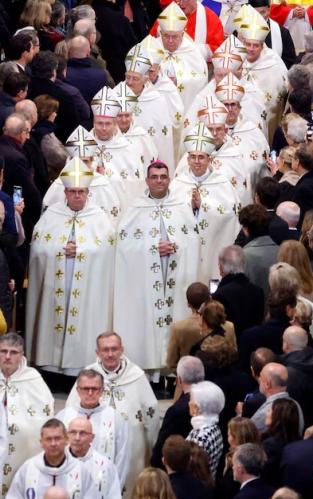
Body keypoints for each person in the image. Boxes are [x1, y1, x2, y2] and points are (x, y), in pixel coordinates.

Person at [27, 157, 116, 372]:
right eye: (73, 191)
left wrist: (82, 251)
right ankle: (51, 367)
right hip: (55, 284)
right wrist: (59, 249)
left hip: (86, 287)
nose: (77, 195)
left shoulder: (99, 217)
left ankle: (78, 366)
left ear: (88, 193)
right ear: (65, 193)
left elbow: (108, 249)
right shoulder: (52, 216)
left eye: (81, 192)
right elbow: (38, 248)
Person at [113, 162, 200, 370]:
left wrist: (176, 246)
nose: (159, 181)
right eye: (154, 177)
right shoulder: (135, 208)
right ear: (147, 180)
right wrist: (153, 249)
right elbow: (123, 245)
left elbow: (194, 240)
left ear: (169, 179)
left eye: (163, 177)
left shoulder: (181, 206)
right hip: (146, 278)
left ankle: (171, 370)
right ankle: (149, 366)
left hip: (175, 274)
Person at [66, 332, 160, 493]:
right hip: (94, 445)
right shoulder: (88, 375)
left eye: (114, 349)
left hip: (131, 446)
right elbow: (71, 411)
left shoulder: (135, 375)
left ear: (122, 350)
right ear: (98, 353)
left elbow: (151, 411)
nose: (110, 354)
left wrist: (153, 445)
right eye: (105, 350)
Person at [0, 333, 54, 496]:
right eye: (3, 351)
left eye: (13, 352)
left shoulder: (33, 379)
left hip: (22, 451)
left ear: (22, 355)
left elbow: (45, 415)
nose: (8, 357)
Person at [172, 123, 241, 281]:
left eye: (201, 157)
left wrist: (203, 206)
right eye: (193, 157)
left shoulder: (221, 183)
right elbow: (170, 215)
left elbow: (231, 212)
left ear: (209, 159)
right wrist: (189, 206)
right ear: (187, 159)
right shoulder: (177, 183)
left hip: (213, 247)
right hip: (185, 249)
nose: (197, 162)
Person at [56, 369, 128, 481]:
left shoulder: (115, 418)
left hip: (102, 483)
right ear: (78, 390)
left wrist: (114, 488)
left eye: (94, 389)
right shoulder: (63, 416)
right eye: (85, 389)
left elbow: (122, 457)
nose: (90, 393)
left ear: (102, 391)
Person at [236, 5, 288, 138]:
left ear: (262, 45)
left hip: (267, 120)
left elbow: (280, 95)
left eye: (255, 45)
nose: (251, 49)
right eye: (248, 44)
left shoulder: (274, 62)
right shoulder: (235, 60)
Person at [8, 418, 94, 498]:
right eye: (48, 439)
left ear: (67, 440)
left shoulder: (81, 470)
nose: (53, 444)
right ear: (41, 442)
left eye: (57, 438)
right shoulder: (28, 469)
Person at [152, 356, 205, 468]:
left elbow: (163, 446)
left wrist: (154, 463)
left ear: (179, 379)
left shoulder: (176, 411)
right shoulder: (211, 398)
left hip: (181, 466)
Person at [154, 4, 208, 108]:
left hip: (184, 106)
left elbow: (201, 79)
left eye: (174, 37)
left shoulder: (192, 52)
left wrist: (179, 80)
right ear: (160, 33)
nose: (170, 41)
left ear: (182, 35)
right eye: (166, 36)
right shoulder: (152, 49)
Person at [67, 416, 123, 498]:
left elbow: (114, 495)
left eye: (82, 433)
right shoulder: (57, 463)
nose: (77, 438)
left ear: (92, 438)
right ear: (67, 435)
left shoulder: (105, 466)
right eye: (73, 432)